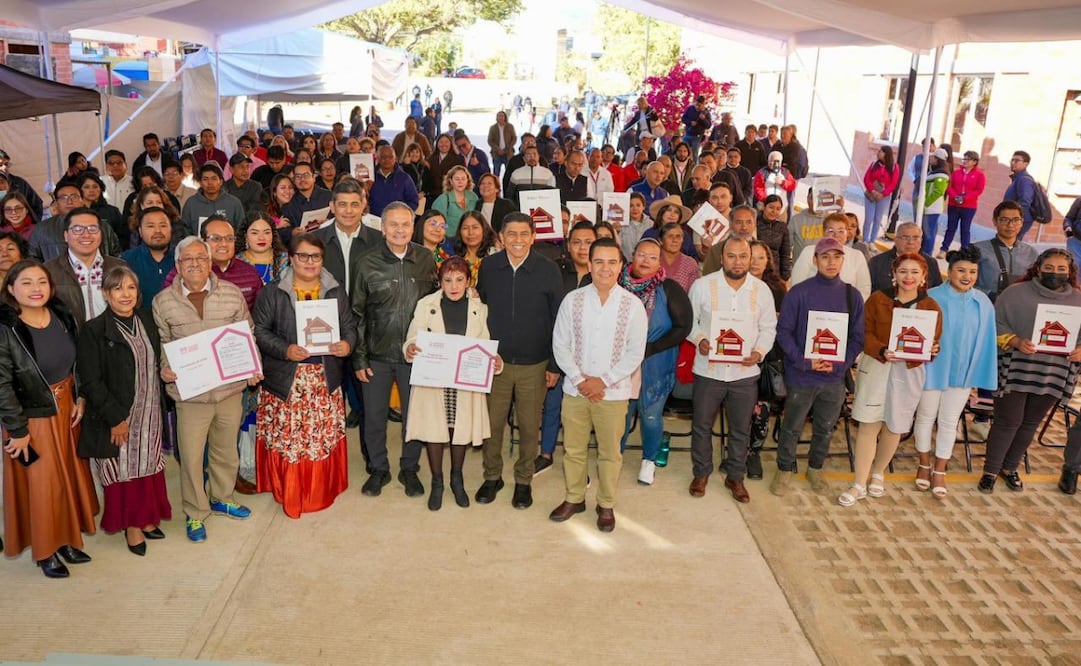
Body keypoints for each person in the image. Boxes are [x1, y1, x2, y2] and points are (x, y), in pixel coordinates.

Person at [153, 237, 259, 542]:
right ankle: (196, 511)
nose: (196, 264)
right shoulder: (163, 302)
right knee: (191, 455)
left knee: (226, 449)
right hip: (191, 395)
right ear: (178, 266)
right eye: (188, 259)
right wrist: (165, 369)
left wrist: (253, 366)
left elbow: (247, 333)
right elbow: (164, 344)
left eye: (201, 257)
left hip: (229, 390)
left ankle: (222, 497)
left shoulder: (230, 293)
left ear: (210, 262)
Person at [1, 260, 98, 577]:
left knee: (67, 477)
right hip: (31, 418)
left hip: (67, 408)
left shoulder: (61, 314)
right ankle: (47, 550)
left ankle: (68, 539)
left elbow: (79, 358)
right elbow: (2, 384)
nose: (35, 289)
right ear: (11, 289)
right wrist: (16, 430)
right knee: (44, 484)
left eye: (41, 281)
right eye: (26, 283)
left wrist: (80, 395)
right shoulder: (6, 328)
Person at [252, 235, 355, 518]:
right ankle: (291, 489)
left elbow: (349, 327)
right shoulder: (273, 292)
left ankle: (320, 488)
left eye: (316, 257)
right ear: (291, 258)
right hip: (288, 379)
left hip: (324, 378)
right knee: (292, 439)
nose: (310, 262)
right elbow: (259, 331)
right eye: (303, 256)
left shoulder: (335, 290)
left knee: (318, 437)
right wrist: (285, 350)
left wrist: (347, 345)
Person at [548, 238, 646, 532]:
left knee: (609, 452)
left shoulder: (632, 305)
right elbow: (560, 344)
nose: (605, 268)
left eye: (612, 262)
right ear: (589, 265)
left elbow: (635, 352)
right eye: (599, 262)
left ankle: (606, 504)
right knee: (573, 449)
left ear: (621, 267)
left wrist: (602, 381)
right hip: (575, 390)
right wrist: (580, 380)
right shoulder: (573, 300)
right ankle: (575, 498)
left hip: (613, 393)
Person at [76, 265, 170, 556]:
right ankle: (131, 525)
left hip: (150, 411)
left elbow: (155, 361)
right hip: (117, 416)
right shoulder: (94, 330)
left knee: (149, 464)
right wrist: (115, 419)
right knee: (123, 470)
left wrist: (166, 371)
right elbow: (90, 380)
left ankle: (148, 518)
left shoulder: (146, 320)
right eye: (117, 288)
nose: (125, 294)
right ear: (106, 294)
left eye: (130, 288)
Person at [475, 212, 563, 508]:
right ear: (500, 237)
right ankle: (492, 476)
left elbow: (557, 321)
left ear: (533, 237)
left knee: (528, 426)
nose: (517, 240)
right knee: (492, 424)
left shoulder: (548, 269)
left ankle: (524, 479)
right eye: (511, 234)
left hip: (535, 363)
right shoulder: (488, 266)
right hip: (495, 362)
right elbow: (481, 309)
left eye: (524, 234)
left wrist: (554, 364)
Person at [839, 253, 942, 507]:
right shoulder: (878, 299)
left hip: (908, 372)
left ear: (924, 276)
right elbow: (864, 331)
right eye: (903, 271)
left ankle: (878, 473)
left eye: (914, 272)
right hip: (877, 367)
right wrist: (882, 350)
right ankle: (859, 483)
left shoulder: (931, 307)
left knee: (895, 425)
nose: (908, 277)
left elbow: (933, 339)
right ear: (893, 274)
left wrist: (931, 350)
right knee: (868, 424)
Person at [351, 202, 438, 498]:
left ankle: (409, 468)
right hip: (376, 354)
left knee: (414, 417)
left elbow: (435, 306)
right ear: (383, 228)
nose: (400, 230)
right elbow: (357, 313)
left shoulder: (426, 258)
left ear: (413, 227)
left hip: (416, 356)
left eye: (406, 224)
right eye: (394, 224)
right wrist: (359, 357)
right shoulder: (366, 262)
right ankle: (378, 468)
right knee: (374, 417)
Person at [978, 248, 1081, 493]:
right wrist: (1014, 341)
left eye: (1061, 269)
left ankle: (1010, 468)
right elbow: (994, 325)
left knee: (1030, 423)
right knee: (1008, 420)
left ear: (1070, 272)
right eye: (1049, 267)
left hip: (1055, 372)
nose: (1054, 273)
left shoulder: (1078, 299)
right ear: (1038, 267)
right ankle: (990, 471)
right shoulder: (1014, 293)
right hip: (1016, 368)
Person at [404, 257, 502, 510]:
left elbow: (484, 340)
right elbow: (413, 335)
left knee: (461, 429)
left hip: (464, 382)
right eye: (448, 280)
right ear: (440, 282)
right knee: (434, 430)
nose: (454, 285)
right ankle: (437, 482)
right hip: (433, 381)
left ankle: (456, 478)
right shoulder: (427, 304)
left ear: (469, 281)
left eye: (459, 280)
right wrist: (411, 347)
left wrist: (494, 361)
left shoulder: (479, 308)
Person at [687, 237, 777, 503]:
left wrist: (758, 352)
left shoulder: (761, 291)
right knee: (701, 425)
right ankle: (702, 472)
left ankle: (735, 476)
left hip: (744, 375)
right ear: (722, 257)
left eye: (743, 256)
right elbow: (689, 322)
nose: (737, 262)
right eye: (731, 256)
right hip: (708, 371)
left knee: (741, 428)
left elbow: (769, 327)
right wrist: (701, 339)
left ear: (750, 259)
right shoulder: (703, 286)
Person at [772, 238, 865, 496]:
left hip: (834, 377)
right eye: (825, 257)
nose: (831, 262)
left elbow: (857, 337)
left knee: (825, 427)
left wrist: (840, 363)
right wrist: (804, 360)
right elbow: (784, 333)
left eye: (837, 257)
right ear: (815, 260)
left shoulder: (852, 295)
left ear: (843, 260)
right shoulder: (798, 293)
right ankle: (784, 469)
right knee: (792, 425)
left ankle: (815, 468)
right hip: (802, 375)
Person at [912, 246, 997, 498]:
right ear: (948, 271)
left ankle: (940, 468)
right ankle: (923, 463)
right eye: (961, 270)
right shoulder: (930, 297)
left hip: (962, 374)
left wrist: (980, 374)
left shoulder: (983, 302)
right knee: (926, 417)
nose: (967, 276)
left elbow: (986, 342)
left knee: (950, 420)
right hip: (932, 369)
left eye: (972, 271)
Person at [618, 238, 692, 485]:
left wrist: (653, 347)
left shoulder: (669, 288)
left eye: (652, 257)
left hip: (655, 360)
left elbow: (684, 326)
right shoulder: (618, 284)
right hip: (620, 363)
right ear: (632, 255)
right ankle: (613, 457)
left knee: (651, 414)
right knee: (620, 413)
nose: (646, 261)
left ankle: (649, 460)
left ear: (659, 261)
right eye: (641, 255)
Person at [535, 221, 596, 476]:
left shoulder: (603, 276)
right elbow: (548, 317)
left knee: (581, 414)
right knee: (553, 405)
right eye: (577, 242)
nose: (583, 248)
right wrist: (553, 361)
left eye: (589, 242)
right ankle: (546, 453)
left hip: (591, 358)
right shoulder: (555, 272)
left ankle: (578, 462)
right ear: (568, 245)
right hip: (558, 353)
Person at [44, 207, 128, 328]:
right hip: (71, 341)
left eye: (93, 229)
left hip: (113, 340)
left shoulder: (119, 266)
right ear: (66, 236)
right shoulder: (49, 271)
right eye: (77, 229)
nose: (86, 235)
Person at [790, 212, 874, 299]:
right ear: (823, 233)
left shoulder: (857, 256)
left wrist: (849, 307)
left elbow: (864, 289)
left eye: (841, 231)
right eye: (831, 231)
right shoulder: (809, 251)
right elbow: (797, 284)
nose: (836, 235)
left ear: (847, 234)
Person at [974, 201, 1039, 303]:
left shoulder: (1031, 253)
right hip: (986, 305)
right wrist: (989, 295)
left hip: (1020, 306)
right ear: (995, 221)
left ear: (1021, 222)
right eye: (1004, 220)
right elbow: (965, 283)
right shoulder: (978, 249)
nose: (1010, 225)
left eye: (1015, 220)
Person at [121, 207, 174, 311]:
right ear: (140, 231)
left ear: (171, 229)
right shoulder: (126, 261)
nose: (158, 231)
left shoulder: (183, 257)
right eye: (150, 226)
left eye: (163, 225)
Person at [866, 221, 940, 294]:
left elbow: (937, 292)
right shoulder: (877, 262)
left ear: (921, 241)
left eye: (915, 238)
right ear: (895, 240)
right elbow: (867, 291)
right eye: (905, 238)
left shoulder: (931, 263)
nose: (910, 242)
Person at [939, 150, 986, 256]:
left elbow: (979, 190)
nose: (964, 161)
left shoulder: (979, 175)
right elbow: (949, 186)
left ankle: (965, 250)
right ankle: (944, 249)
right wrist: (955, 196)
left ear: (974, 162)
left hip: (969, 206)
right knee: (951, 228)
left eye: (967, 159)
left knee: (965, 229)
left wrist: (964, 198)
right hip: (954, 205)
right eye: (964, 158)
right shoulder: (956, 173)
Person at [181, 164, 246, 236]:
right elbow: (184, 230)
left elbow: (241, 229)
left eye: (214, 179)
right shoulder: (191, 203)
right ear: (200, 183)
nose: (210, 183)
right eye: (205, 179)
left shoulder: (234, 203)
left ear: (221, 182)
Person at [280, 162, 333, 236]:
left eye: (306, 175)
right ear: (294, 180)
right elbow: (282, 231)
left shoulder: (329, 196)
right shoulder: (289, 203)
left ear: (314, 177)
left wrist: (329, 222)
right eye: (298, 176)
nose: (302, 179)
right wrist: (293, 232)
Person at [236, 211, 289, 285]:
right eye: (255, 233)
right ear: (245, 236)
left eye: (267, 233)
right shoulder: (237, 262)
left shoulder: (286, 260)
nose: (261, 238)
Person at [77, 172, 126, 250]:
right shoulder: (76, 213)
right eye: (86, 187)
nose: (91, 190)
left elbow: (123, 237)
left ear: (101, 189)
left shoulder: (112, 211)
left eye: (95, 187)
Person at [862, 146, 900, 244]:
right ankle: (865, 240)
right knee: (868, 218)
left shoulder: (894, 167)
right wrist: (873, 191)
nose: (878, 153)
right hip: (871, 195)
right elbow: (866, 179)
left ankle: (872, 241)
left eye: (881, 152)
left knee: (877, 219)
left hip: (883, 197)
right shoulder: (873, 165)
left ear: (886, 154)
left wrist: (883, 194)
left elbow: (893, 184)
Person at [369, 146, 420, 216]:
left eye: (390, 157)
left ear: (395, 158)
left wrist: (402, 214)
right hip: (373, 221)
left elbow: (413, 201)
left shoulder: (404, 178)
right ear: (377, 158)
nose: (387, 160)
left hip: (397, 221)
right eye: (383, 157)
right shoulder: (370, 177)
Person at [919, 148, 952, 256]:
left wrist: (926, 203)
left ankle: (926, 255)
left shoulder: (941, 175)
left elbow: (938, 191)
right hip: (928, 207)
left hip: (931, 208)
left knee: (929, 234)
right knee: (926, 232)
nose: (931, 158)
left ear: (938, 159)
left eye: (933, 157)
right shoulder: (934, 172)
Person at [451, 211, 497, 286]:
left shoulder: (494, 256)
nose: (470, 232)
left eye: (475, 227)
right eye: (465, 228)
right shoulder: (452, 257)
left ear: (484, 229)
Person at [432, 165, 479, 237]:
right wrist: (449, 230)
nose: (460, 182)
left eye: (463, 179)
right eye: (457, 179)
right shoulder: (443, 200)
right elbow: (435, 223)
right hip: (449, 240)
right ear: (451, 181)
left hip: (470, 238)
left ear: (467, 180)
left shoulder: (474, 197)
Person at [1003, 150, 1039, 241]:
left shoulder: (1024, 180)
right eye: (1012, 160)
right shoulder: (1018, 178)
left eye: (1017, 161)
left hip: (1018, 219)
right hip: (1015, 218)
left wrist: (1013, 218)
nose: (1013, 163)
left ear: (1026, 164)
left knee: (1011, 244)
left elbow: (1025, 202)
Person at [755, 195, 793, 280]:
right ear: (764, 207)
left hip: (775, 273)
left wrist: (785, 277)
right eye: (771, 207)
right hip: (756, 270)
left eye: (778, 209)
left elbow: (785, 254)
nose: (774, 211)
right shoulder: (754, 223)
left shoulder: (782, 227)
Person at [656, 221, 700, 293]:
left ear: (682, 240)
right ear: (661, 241)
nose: (675, 240)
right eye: (670, 236)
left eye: (678, 236)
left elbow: (694, 293)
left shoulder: (690, 263)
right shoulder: (653, 260)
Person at [488, 111, 517, 179]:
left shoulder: (510, 127)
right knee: (496, 173)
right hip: (496, 153)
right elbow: (490, 140)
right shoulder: (493, 128)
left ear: (505, 117)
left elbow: (514, 138)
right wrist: (497, 149)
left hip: (508, 153)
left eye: (502, 116)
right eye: (499, 116)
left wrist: (507, 148)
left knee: (509, 172)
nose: (500, 118)